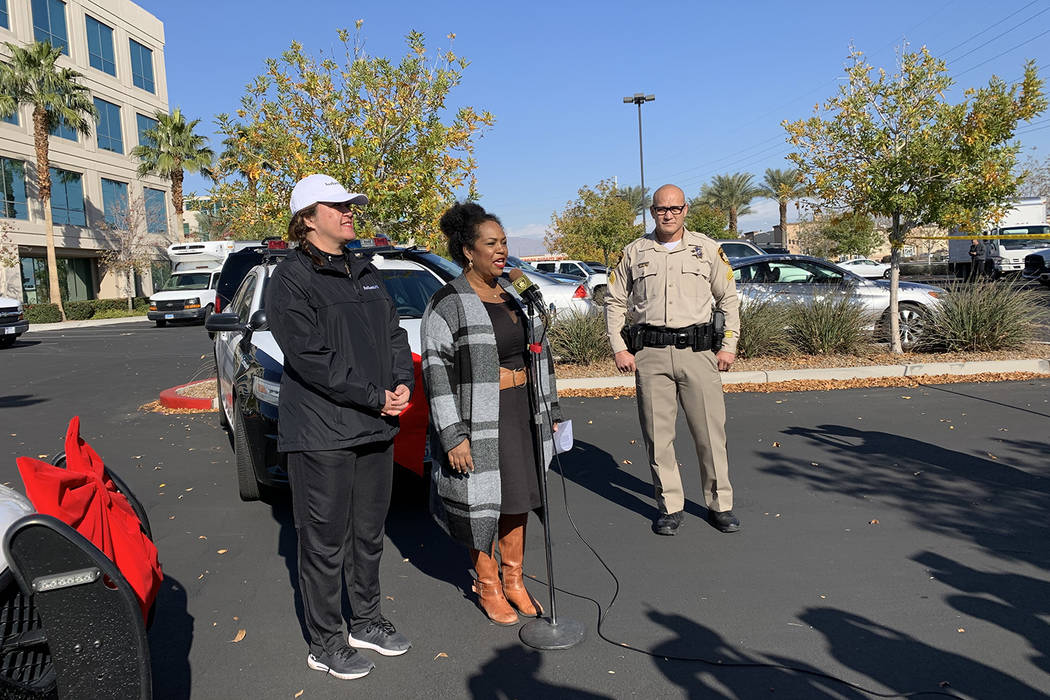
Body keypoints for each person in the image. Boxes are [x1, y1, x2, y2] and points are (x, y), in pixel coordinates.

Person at [266, 174, 414, 680]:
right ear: (307, 219)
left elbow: (393, 333)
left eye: (351, 204)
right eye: (338, 206)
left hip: (374, 426)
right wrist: (375, 396)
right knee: (324, 543)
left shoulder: (364, 269)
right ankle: (326, 641)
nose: (351, 211)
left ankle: (366, 622)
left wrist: (401, 383)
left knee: (369, 535)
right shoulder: (289, 279)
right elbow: (310, 358)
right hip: (322, 432)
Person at [421, 202, 562, 625]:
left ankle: (514, 579)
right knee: (484, 503)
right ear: (467, 250)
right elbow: (435, 372)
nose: (501, 251)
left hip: (522, 410)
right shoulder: (447, 302)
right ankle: (488, 585)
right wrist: (453, 434)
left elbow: (541, 354)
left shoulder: (514, 295)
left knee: (519, 497)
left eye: (504, 242)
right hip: (479, 416)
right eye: (491, 244)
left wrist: (551, 409)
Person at [605, 184, 741, 536]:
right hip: (650, 355)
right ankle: (670, 506)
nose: (668, 214)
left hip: (697, 353)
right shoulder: (635, 252)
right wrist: (619, 347)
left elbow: (728, 299)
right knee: (658, 436)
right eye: (661, 209)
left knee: (710, 433)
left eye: (675, 208)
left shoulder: (707, 250)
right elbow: (614, 301)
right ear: (651, 212)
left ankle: (720, 505)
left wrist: (728, 345)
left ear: (685, 210)